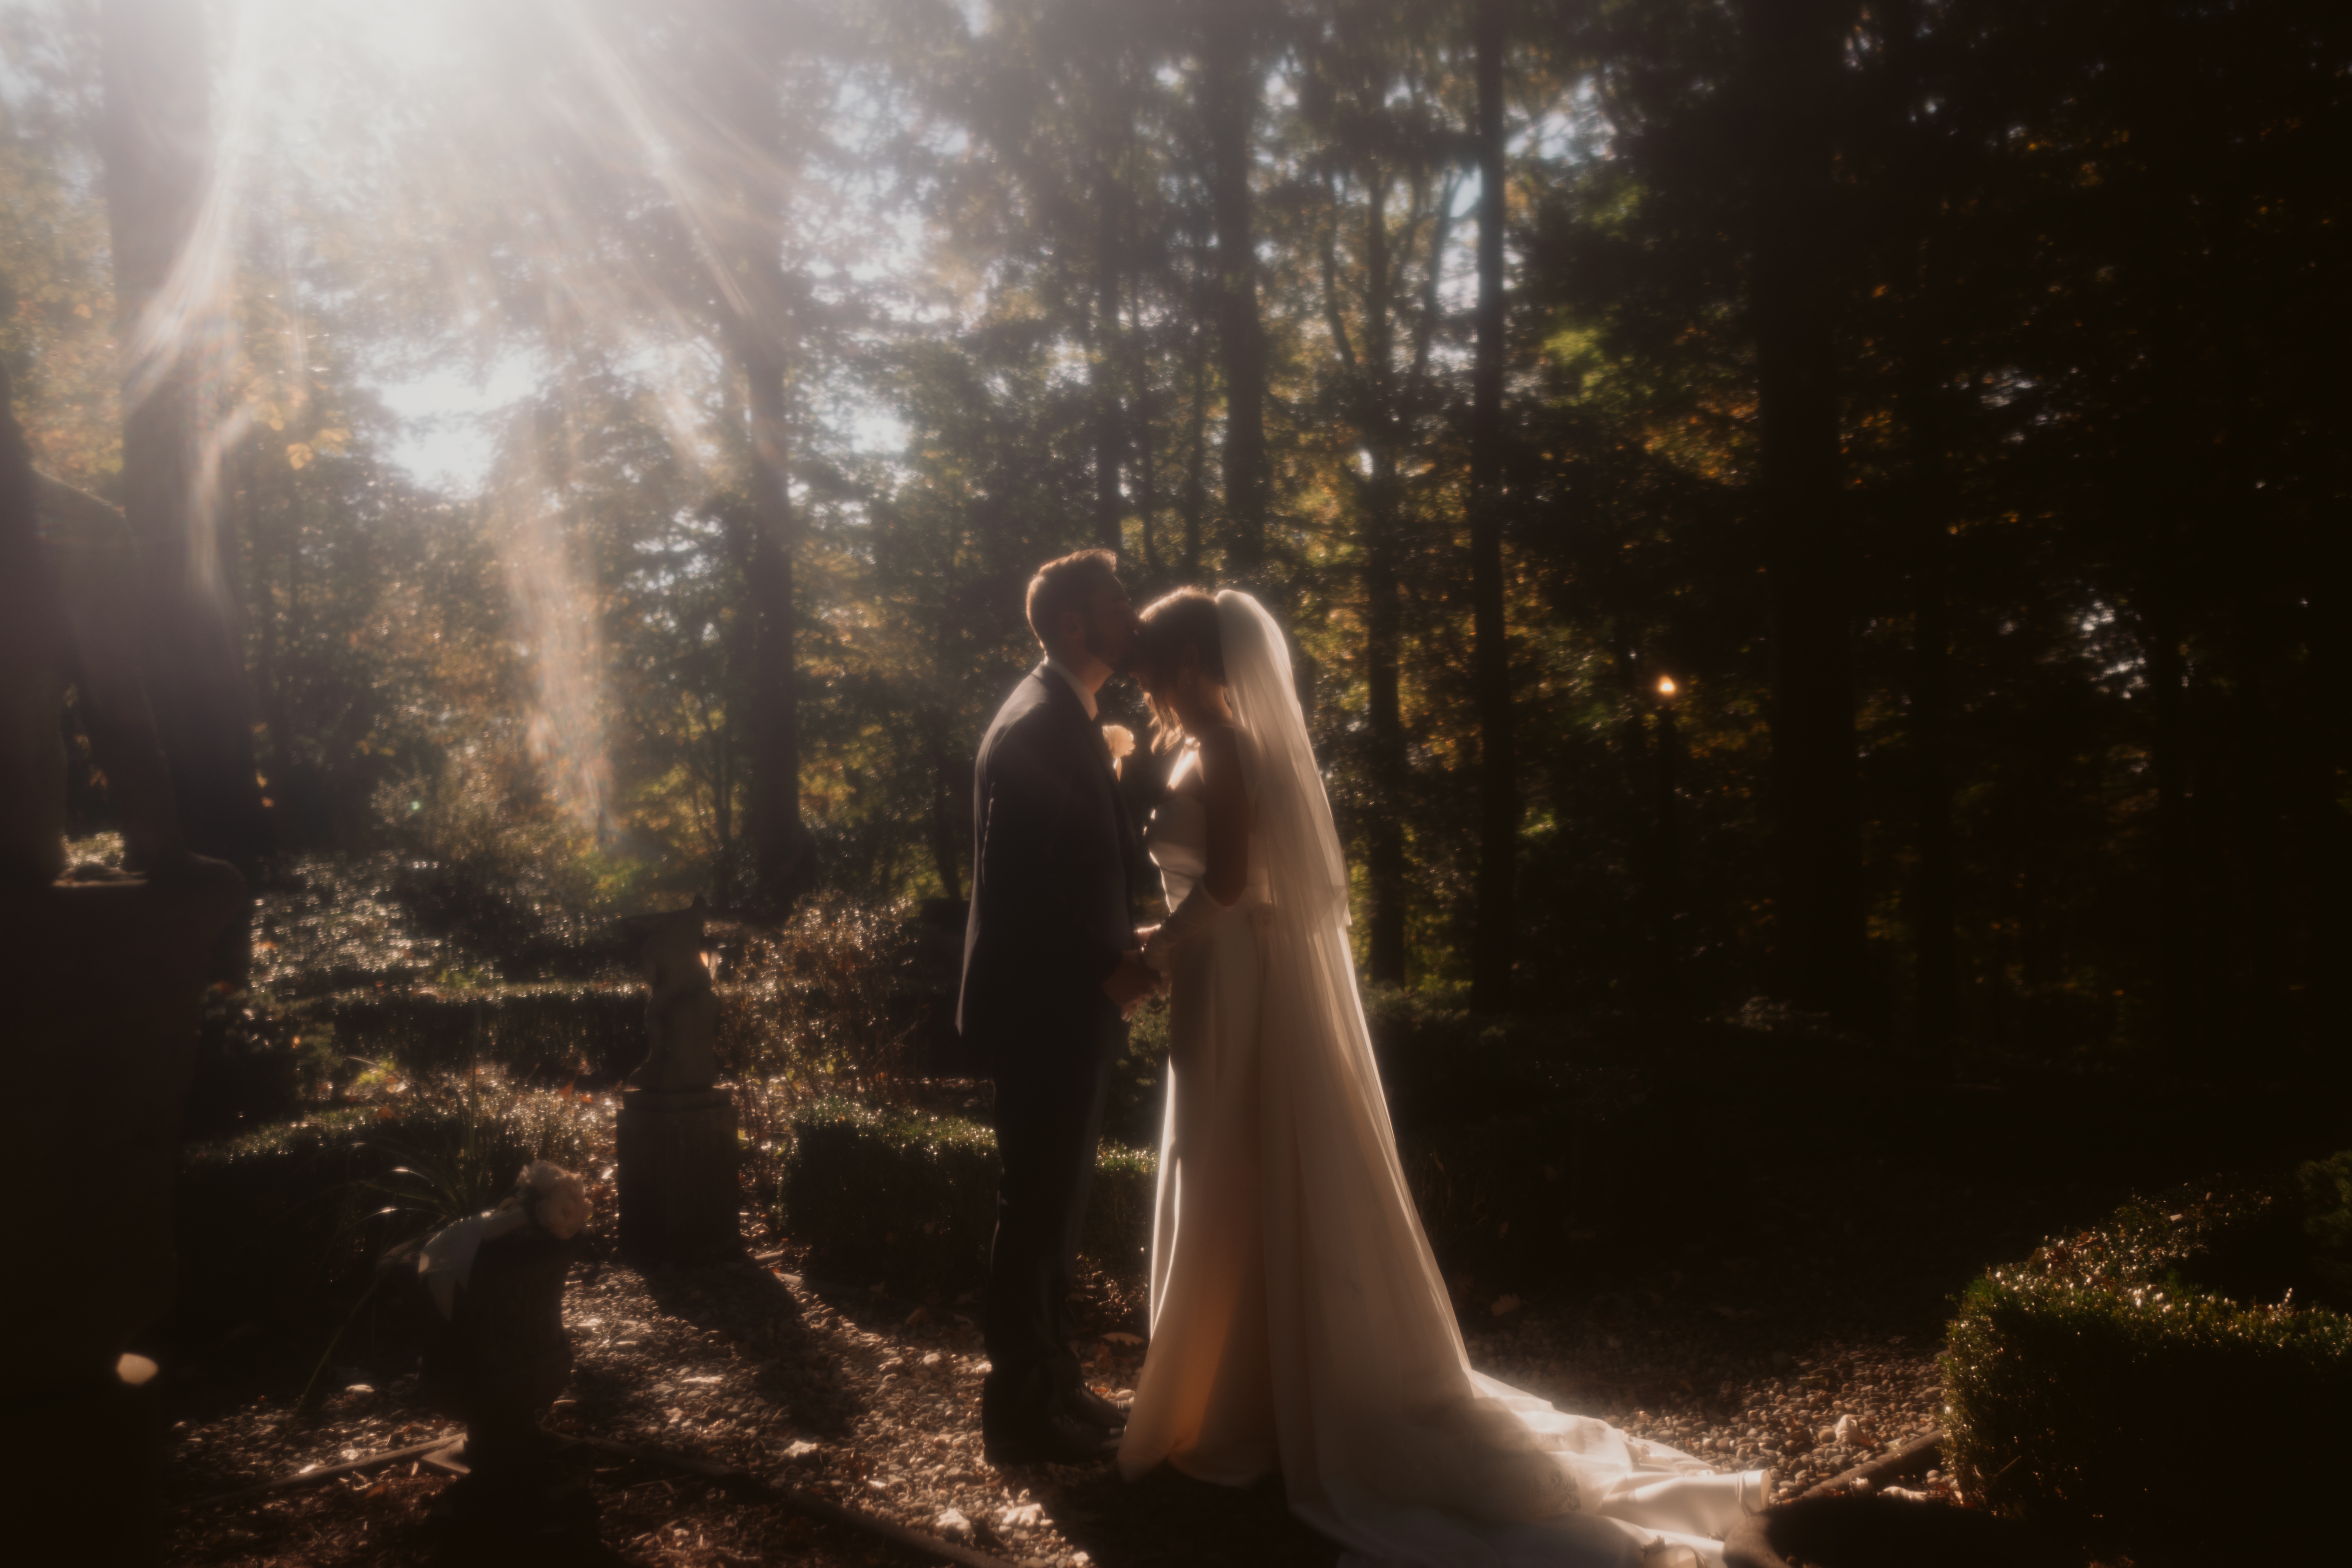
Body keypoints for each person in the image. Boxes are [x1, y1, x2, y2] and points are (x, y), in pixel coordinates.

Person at [1117, 588, 1768, 1567]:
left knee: (1233, 1162)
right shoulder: (1207, 742)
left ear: (1189, 662)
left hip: (1237, 985)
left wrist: (1159, 951)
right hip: (1224, 976)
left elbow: (1234, 886)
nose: (1144, 679)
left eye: (1153, 663)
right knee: (1222, 1166)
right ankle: (1236, 1381)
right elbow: (1217, 884)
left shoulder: (1226, 747)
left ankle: (1248, 1400)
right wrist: (1166, 938)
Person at [959, 549, 1160, 1465]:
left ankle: (1056, 1377)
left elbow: (1082, 869)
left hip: (1064, 1004)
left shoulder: (1064, 714)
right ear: (1075, 624)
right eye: (1120, 601)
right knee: (1039, 1202)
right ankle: (1022, 1408)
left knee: (1055, 1203)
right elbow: (1021, 894)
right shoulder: (1039, 725)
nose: (1136, 614)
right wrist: (1109, 968)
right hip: (1049, 1009)